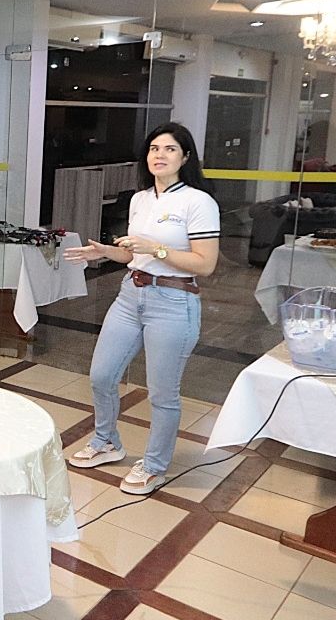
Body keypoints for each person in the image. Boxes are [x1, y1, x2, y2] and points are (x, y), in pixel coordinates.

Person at [62, 123, 220, 495]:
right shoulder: (140, 199)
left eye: (169, 149)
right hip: (130, 295)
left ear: (185, 157)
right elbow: (133, 255)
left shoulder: (198, 202)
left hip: (173, 302)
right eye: (153, 148)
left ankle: (154, 465)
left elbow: (205, 264)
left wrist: (158, 249)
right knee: (102, 376)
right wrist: (105, 252)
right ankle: (107, 442)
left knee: (162, 393)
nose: (159, 155)